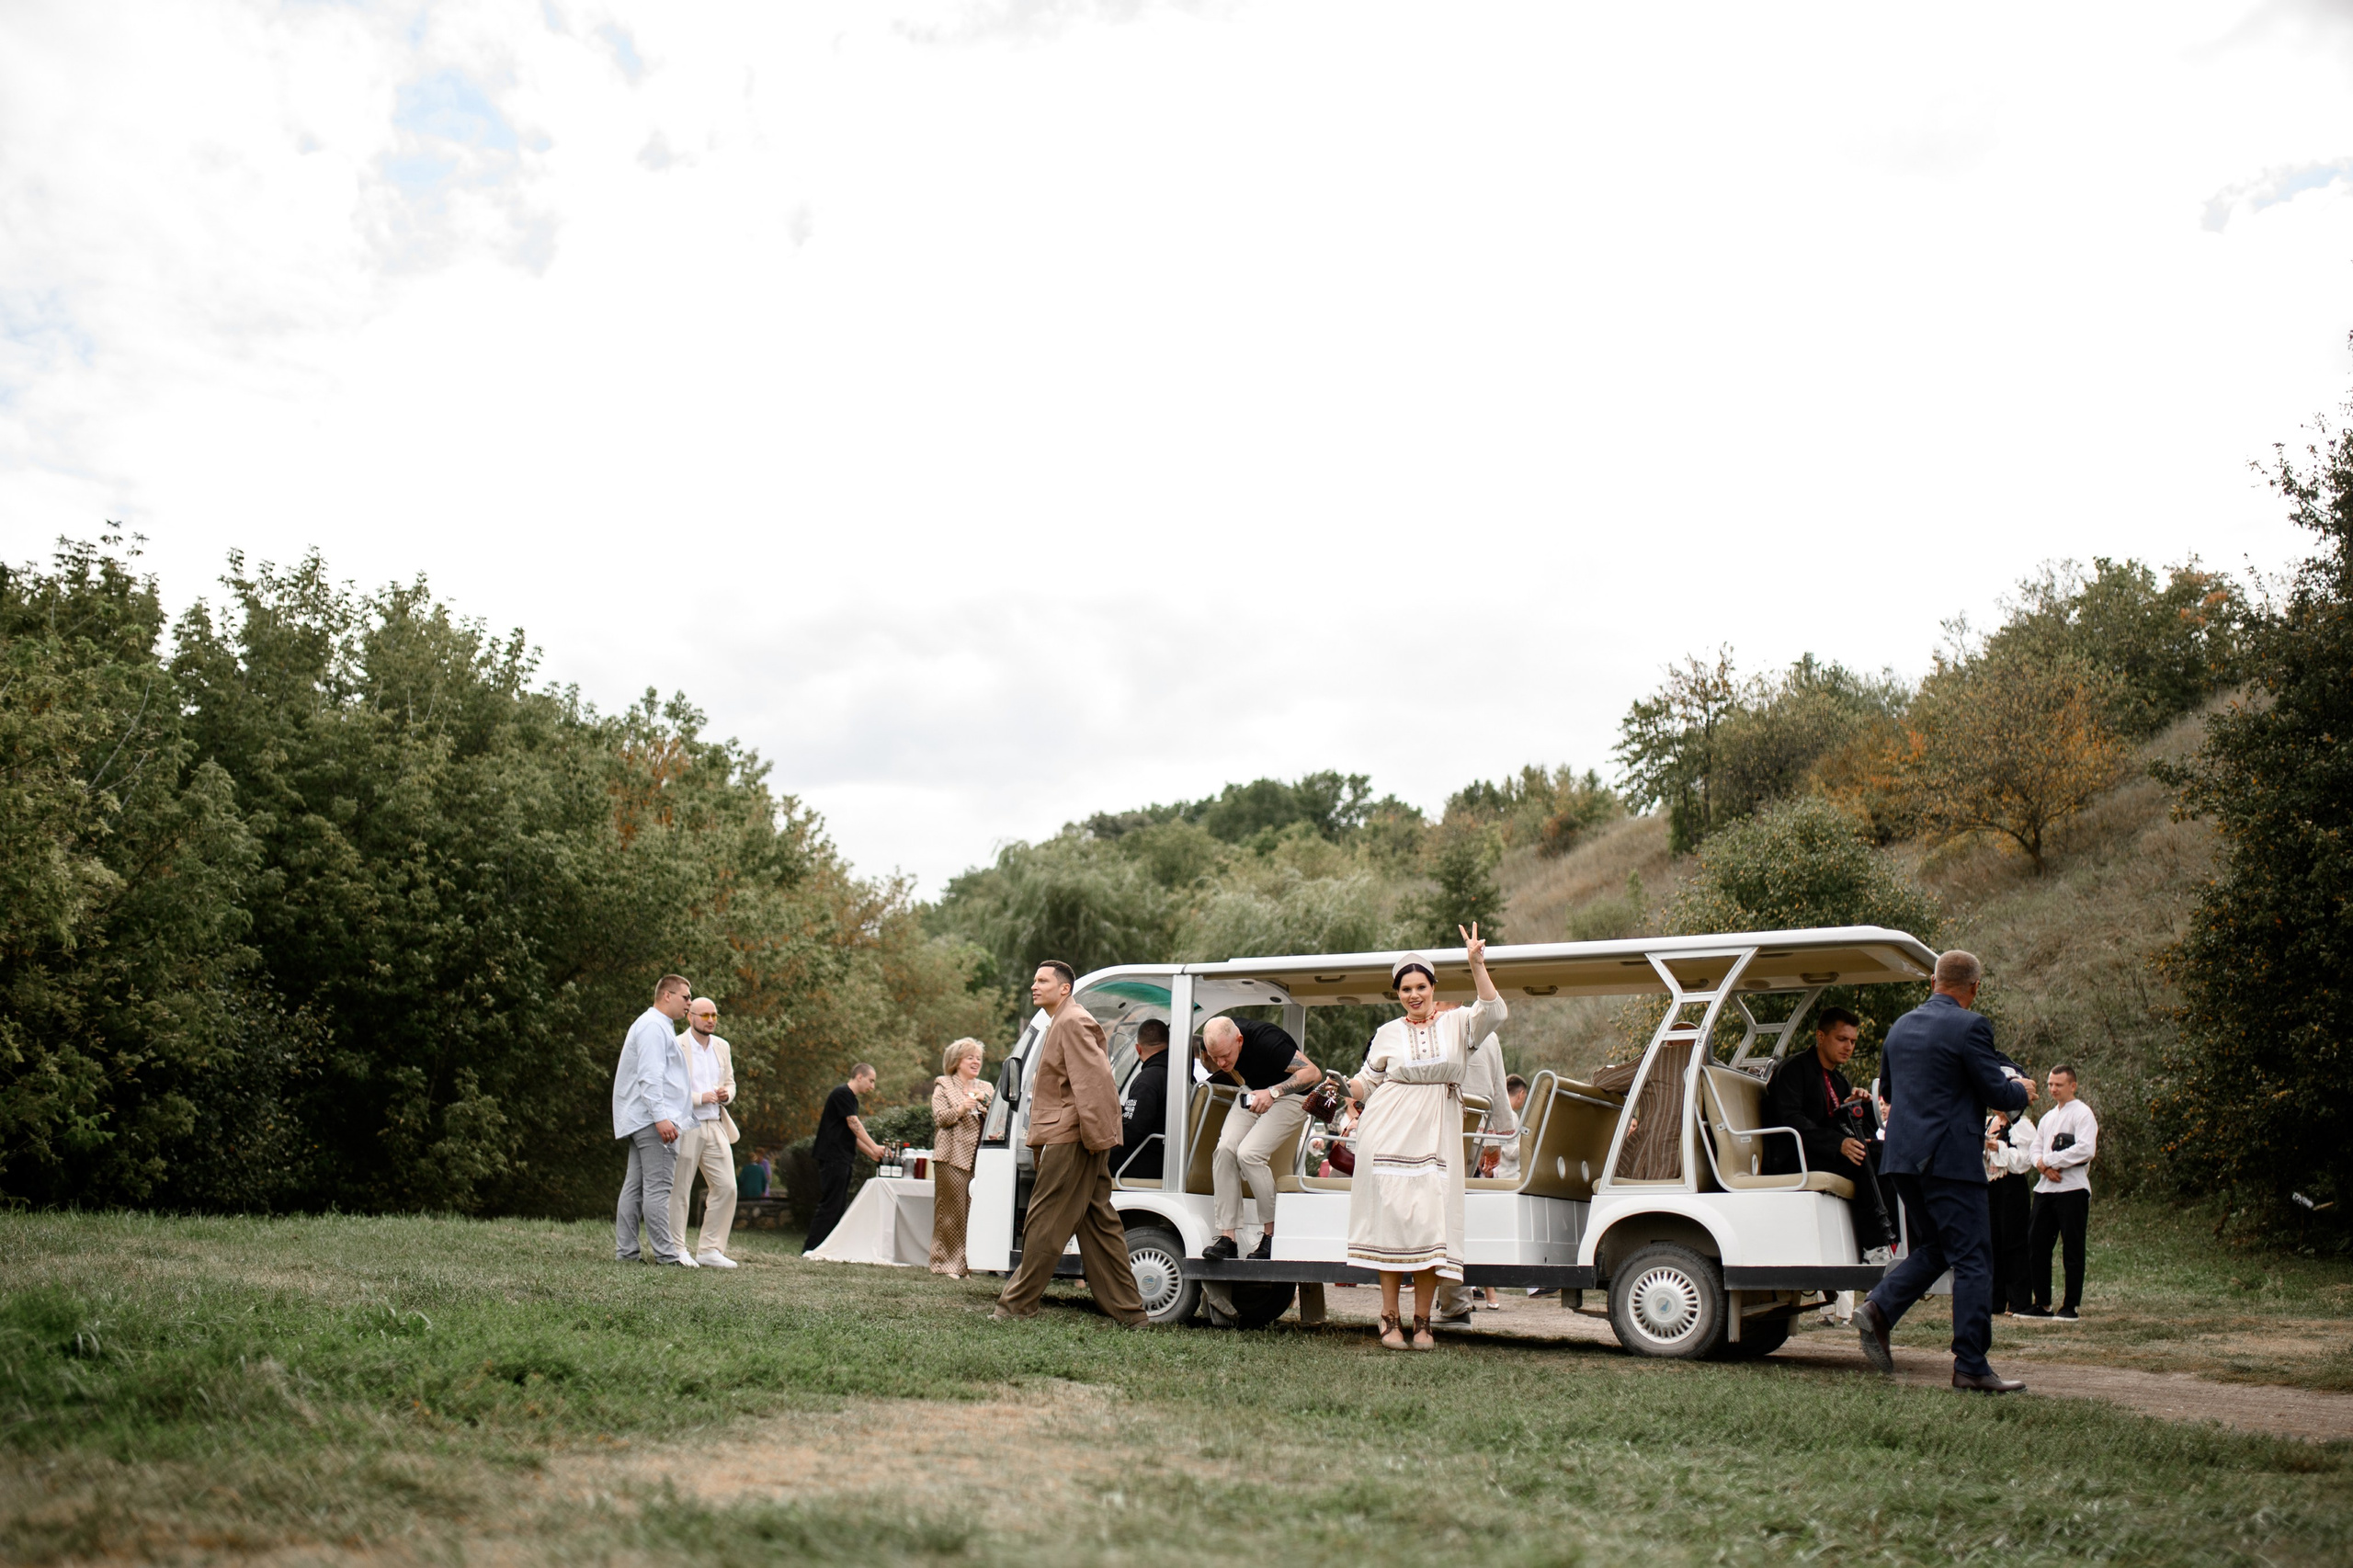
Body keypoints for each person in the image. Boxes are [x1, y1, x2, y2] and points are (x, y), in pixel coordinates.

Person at [1854, 950, 2035, 1393]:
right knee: (1973, 1258)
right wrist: (2021, 1090)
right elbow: (1996, 1090)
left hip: (1900, 1158)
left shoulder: (1899, 1028)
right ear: (1974, 987)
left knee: (1937, 1246)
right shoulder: (1971, 1026)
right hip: (1949, 1160)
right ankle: (1970, 1364)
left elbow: (1891, 1091)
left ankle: (1879, 1309)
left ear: (1933, 981)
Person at [1347, 927, 1506, 1352]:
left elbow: (1494, 1011)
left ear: (1434, 987)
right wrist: (1346, 1089)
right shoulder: (1387, 1033)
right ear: (1397, 992)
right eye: (1405, 989)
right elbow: (1368, 1080)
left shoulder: (1458, 1023)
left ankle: (1423, 1322)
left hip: (1437, 1131)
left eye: (1420, 987)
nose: (1413, 995)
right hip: (1388, 1130)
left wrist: (1476, 962)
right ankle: (1388, 1318)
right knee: (1392, 1223)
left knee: (1430, 1224)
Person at [992, 960, 1148, 1325]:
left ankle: (1015, 1306)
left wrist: (1094, 1140)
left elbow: (1094, 1083)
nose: (1034, 985)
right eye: (1034, 980)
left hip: (1075, 1137)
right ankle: (1130, 1314)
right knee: (1099, 1224)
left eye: (1043, 980)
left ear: (1064, 988)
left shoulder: (1073, 1021)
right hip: (1080, 1136)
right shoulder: (1062, 1020)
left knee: (1044, 1220)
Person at [1761, 1006, 1897, 1262]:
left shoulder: (1839, 1080)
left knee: (1881, 1152)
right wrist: (1839, 1143)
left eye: (1853, 1041)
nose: (1848, 1047)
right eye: (1842, 1039)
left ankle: (1893, 1240)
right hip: (1792, 1155)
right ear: (1821, 1036)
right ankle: (1876, 1245)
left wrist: (1860, 1108)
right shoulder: (1793, 1069)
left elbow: (1834, 1119)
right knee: (1870, 1158)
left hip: (1819, 1152)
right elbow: (1791, 1119)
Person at [1199, 1014, 1321, 1260]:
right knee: (1225, 1150)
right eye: (1215, 1057)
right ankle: (1228, 1238)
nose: (1221, 1062)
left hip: (1293, 1096)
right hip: (1255, 1090)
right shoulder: (1221, 1038)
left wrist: (1274, 1092)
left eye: (1225, 1055)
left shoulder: (1268, 1041)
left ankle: (1272, 1235)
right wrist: (1260, 1091)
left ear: (1239, 1040)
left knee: (1249, 1154)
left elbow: (1313, 1073)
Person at [1434, 1010, 1518, 1323]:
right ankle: (1455, 1300)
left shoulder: (1431, 1030)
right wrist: (1495, 1141)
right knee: (1453, 1210)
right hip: (1472, 1137)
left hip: (1436, 1133)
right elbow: (1496, 1090)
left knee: (1442, 1211)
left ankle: (1454, 1302)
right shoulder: (1489, 1036)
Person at [612, 973, 698, 1267]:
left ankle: (626, 1252)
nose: (690, 1003)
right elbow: (650, 1077)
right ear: (667, 995)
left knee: (635, 1186)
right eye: (686, 997)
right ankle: (666, 1255)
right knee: (658, 1188)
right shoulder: (652, 1027)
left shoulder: (656, 1025)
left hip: (643, 1118)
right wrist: (662, 1118)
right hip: (653, 1120)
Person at [667, 995, 743, 1269]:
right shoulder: (677, 1045)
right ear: (690, 1016)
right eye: (705, 1015)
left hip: (715, 1124)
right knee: (679, 1189)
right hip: (686, 1123)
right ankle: (676, 1248)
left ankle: (710, 1250)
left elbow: (731, 1083)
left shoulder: (722, 1046)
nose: (711, 1020)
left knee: (727, 1187)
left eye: (714, 1015)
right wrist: (701, 1097)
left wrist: (726, 1095)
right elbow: (670, 1089)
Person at [2019, 1064, 2098, 1320]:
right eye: (2050, 1084)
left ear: (2072, 1086)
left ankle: (2070, 1306)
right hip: (2046, 1189)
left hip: (2072, 1188)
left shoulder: (2083, 1114)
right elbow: (2035, 1149)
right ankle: (2042, 1304)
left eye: (2059, 1085)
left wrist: (2051, 1161)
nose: (2053, 1089)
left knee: (2072, 1247)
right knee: (2037, 1244)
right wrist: (2042, 1165)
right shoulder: (2047, 1118)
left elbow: (2085, 1149)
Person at [804, 1062, 887, 1253]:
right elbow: (853, 1123)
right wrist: (874, 1145)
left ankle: (826, 1248)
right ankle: (811, 1249)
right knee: (830, 1205)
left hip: (842, 1158)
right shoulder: (843, 1094)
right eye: (871, 1080)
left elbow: (850, 1134)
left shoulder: (850, 1098)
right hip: (833, 1158)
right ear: (859, 1076)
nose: (872, 1087)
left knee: (838, 1206)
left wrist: (872, 1152)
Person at [929, 1037, 993, 1278]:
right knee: (951, 1211)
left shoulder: (986, 1088)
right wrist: (962, 1108)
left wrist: (984, 1102)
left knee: (973, 1212)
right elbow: (941, 1118)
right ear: (957, 1062)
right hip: (951, 1156)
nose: (976, 1061)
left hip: (980, 1158)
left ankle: (965, 1264)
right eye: (971, 1057)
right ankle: (944, 1264)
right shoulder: (944, 1085)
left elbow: (1000, 1114)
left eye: (979, 1058)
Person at [1984, 1106, 2038, 1316]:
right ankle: (1995, 1300)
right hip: (1990, 1187)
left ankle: (2018, 1300)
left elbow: (2025, 1161)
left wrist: (1998, 1147)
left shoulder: (2022, 1125)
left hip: (2011, 1187)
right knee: (1992, 1242)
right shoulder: (1989, 1123)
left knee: (2014, 1243)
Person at [1114, 1019, 1173, 1180]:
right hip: (1165, 1157)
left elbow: (1131, 1131)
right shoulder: (1181, 1075)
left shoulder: (1147, 1080)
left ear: (1138, 1048)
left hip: (1144, 1162)